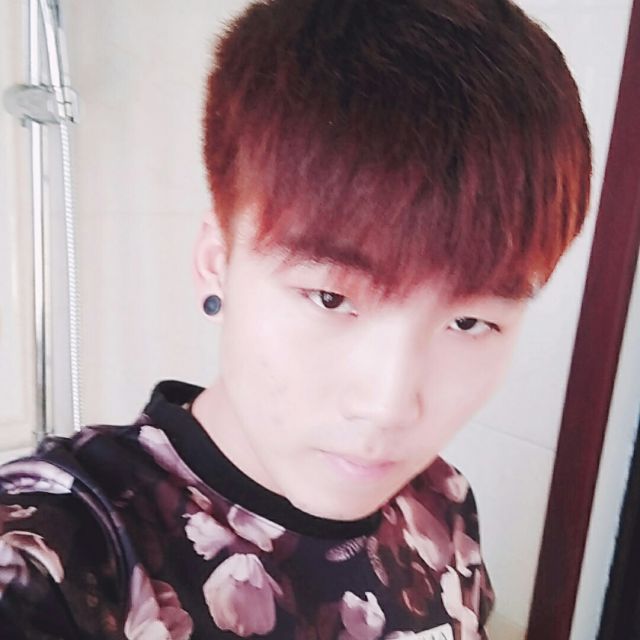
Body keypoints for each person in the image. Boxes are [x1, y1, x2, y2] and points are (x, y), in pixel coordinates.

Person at [0, 0, 591, 638]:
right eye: (330, 298)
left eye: (469, 322)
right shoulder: (68, 552)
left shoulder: (441, 501)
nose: (389, 408)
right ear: (216, 264)